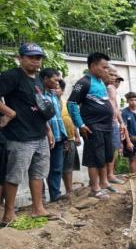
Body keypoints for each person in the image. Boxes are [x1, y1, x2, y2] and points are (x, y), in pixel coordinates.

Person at [0, 43, 59, 224]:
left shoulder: (39, 80)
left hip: (39, 134)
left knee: (39, 173)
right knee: (15, 175)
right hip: (20, 135)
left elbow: (41, 106)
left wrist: (48, 130)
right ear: (20, 58)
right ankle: (9, 213)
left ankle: (38, 208)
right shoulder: (11, 76)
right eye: (31, 57)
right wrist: (10, 113)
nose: (35, 61)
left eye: (38, 57)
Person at [67, 52, 114, 200]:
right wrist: (80, 124)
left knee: (106, 156)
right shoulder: (84, 82)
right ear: (93, 66)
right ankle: (95, 188)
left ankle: (105, 182)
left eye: (107, 68)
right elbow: (71, 103)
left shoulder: (100, 82)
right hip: (93, 127)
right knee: (94, 158)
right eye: (104, 67)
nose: (107, 70)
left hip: (106, 126)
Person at [41, 68, 68, 202]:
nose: (58, 82)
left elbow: (58, 117)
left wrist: (65, 136)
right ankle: (40, 199)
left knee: (57, 168)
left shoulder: (54, 95)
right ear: (45, 79)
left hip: (59, 136)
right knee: (40, 169)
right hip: (44, 137)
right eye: (55, 80)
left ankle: (55, 196)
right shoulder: (39, 94)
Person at [57, 80, 81, 198]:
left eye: (58, 88)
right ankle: (54, 194)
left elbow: (72, 121)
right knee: (56, 167)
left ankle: (69, 190)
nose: (55, 90)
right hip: (57, 141)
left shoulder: (66, 104)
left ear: (62, 90)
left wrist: (77, 136)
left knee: (68, 167)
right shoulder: (48, 103)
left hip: (70, 139)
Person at [104, 66, 126, 186]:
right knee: (110, 149)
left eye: (118, 80)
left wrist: (121, 122)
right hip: (108, 123)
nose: (116, 82)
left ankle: (110, 174)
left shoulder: (112, 89)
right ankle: (109, 175)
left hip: (113, 122)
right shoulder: (108, 87)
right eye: (114, 78)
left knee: (114, 149)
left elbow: (116, 107)